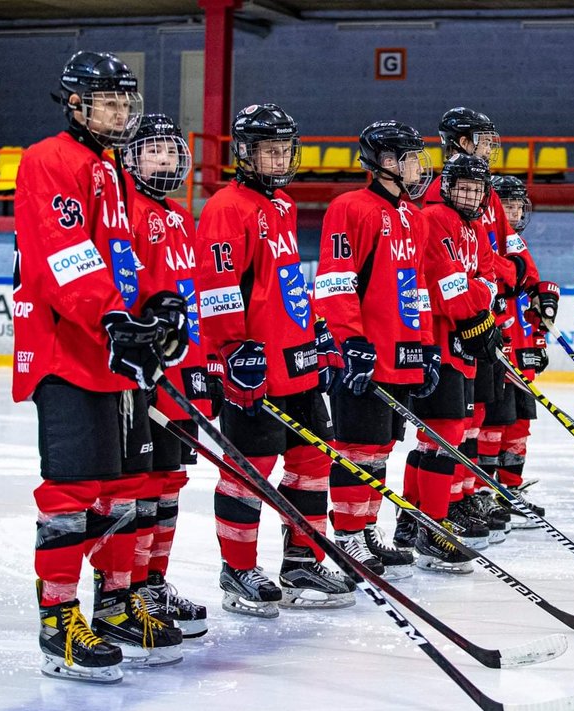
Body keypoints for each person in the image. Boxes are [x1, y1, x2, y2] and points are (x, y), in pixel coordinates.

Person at [16, 50, 183, 683]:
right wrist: (115, 320)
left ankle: (114, 605)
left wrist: (153, 306)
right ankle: (57, 622)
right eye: (107, 101)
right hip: (68, 351)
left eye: (124, 102)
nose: (119, 111)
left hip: (113, 353)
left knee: (123, 489)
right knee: (72, 493)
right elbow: (65, 255)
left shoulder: (109, 169)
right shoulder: (50, 160)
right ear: (77, 104)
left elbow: (120, 256)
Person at [193, 103, 353, 617]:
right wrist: (233, 348)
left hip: (298, 362)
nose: (279, 158)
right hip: (255, 369)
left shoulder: (282, 204)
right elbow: (218, 286)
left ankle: (301, 560)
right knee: (249, 470)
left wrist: (315, 327)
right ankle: (237, 569)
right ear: (244, 153)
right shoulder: (226, 206)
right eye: (268, 150)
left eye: (284, 148)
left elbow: (281, 283)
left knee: (312, 461)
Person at [314, 120, 434, 580]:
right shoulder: (350, 208)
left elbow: (416, 289)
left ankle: (364, 528)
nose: (417, 166)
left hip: (400, 353)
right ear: (386, 163)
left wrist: (424, 347)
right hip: (365, 354)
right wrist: (351, 341)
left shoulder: (414, 216)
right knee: (356, 448)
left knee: (380, 449)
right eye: (409, 158)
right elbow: (335, 281)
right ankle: (345, 536)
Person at [119, 113, 209, 639]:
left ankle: (154, 581)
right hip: (142, 371)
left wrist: (204, 365)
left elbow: (190, 296)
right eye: (152, 150)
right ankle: (128, 588)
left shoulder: (180, 216)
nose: (164, 159)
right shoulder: (123, 209)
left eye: (170, 151)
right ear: (131, 157)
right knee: (140, 483)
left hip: (180, 370)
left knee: (171, 482)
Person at [410, 153, 504, 570]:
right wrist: (475, 310)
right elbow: (446, 283)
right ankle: (432, 527)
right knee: (442, 433)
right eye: (461, 186)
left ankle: (417, 520)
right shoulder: (435, 219)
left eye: (476, 188)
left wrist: (478, 306)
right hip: (438, 340)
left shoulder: (476, 227)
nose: (468, 194)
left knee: (452, 431)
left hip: (462, 340)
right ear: (446, 187)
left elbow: (488, 278)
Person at [481, 174, 557, 530]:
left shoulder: (516, 243)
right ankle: (483, 491)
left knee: (520, 423)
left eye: (516, 204)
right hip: (494, 344)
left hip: (520, 347)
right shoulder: (485, 237)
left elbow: (529, 295)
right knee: (494, 423)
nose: (512, 210)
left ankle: (509, 489)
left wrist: (538, 337)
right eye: (506, 203)